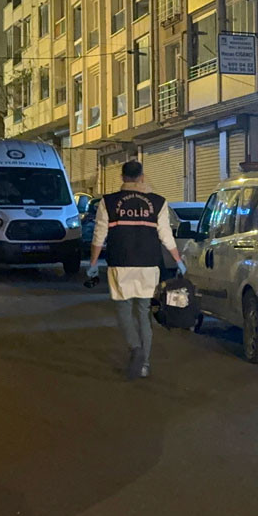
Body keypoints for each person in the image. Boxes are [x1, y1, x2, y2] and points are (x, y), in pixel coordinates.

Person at [87, 160, 187, 380]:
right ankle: (145, 365)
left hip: (120, 263)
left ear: (122, 177)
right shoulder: (158, 202)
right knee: (143, 312)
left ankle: (135, 348)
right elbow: (165, 236)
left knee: (123, 310)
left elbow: (99, 236)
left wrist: (93, 263)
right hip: (149, 264)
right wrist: (178, 260)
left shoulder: (109, 202)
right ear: (142, 176)